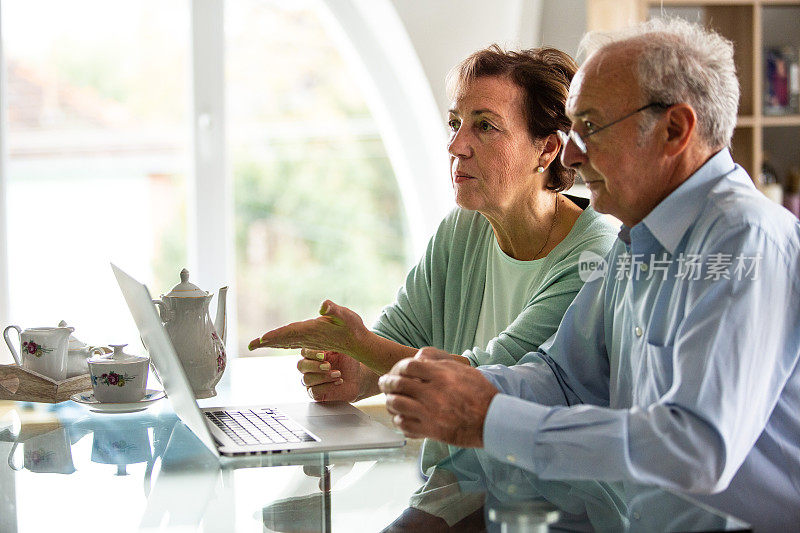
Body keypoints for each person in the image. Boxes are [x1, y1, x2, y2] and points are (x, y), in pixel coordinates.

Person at [378, 17, 800, 533]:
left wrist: (487, 416)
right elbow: (563, 375)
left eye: (592, 126)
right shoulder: (636, 239)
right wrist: (462, 386)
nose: (572, 154)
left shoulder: (744, 240)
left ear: (675, 129)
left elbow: (696, 447)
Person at [248, 46, 617, 404]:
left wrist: (359, 343)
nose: (456, 145)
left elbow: (491, 379)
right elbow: (398, 336)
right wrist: (353, 373)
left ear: (548, 149)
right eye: (455, 123)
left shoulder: (593, 257)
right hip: (456, 468)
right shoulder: (464, 228)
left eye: (485, 126)